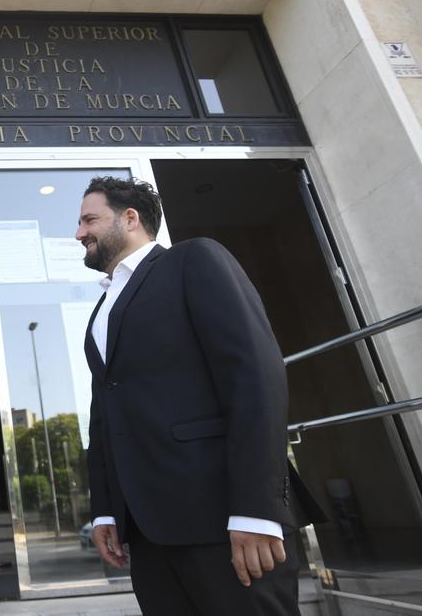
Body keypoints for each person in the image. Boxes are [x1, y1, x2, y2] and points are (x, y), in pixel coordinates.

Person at [78, 177, 315, 615]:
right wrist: (106, 510)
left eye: (89, 219)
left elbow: (255, 376)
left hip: (223, 519)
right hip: (147, 531)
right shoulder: (101, 307)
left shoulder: (194, 259)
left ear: (130, 219)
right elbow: (104, 415)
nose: (79, 233)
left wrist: (256, 509)